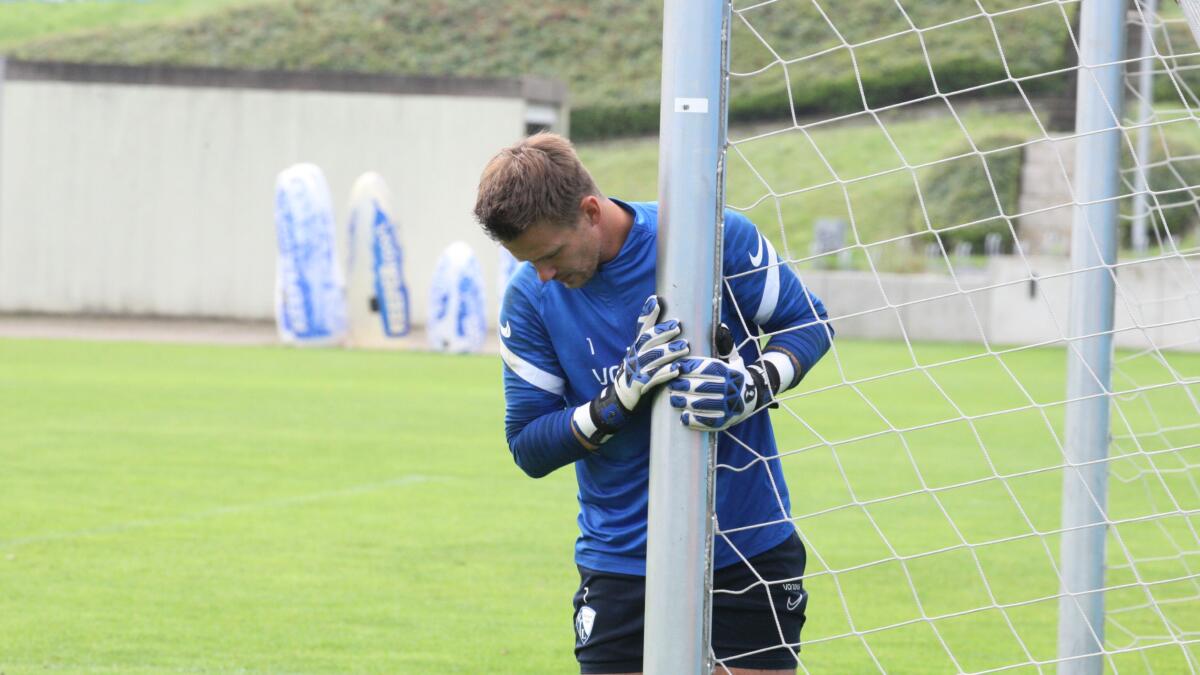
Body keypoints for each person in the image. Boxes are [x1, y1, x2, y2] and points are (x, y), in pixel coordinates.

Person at [473, 132, 832, 675]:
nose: (544, 274)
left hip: (747, 544)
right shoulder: (530, 298)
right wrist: (613, 402)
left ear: (590, 211)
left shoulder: (714, 239)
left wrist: (751, 388)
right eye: (528, 261)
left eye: (550, 255)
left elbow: (809, 323)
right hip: (620, 560)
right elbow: (528, 445)